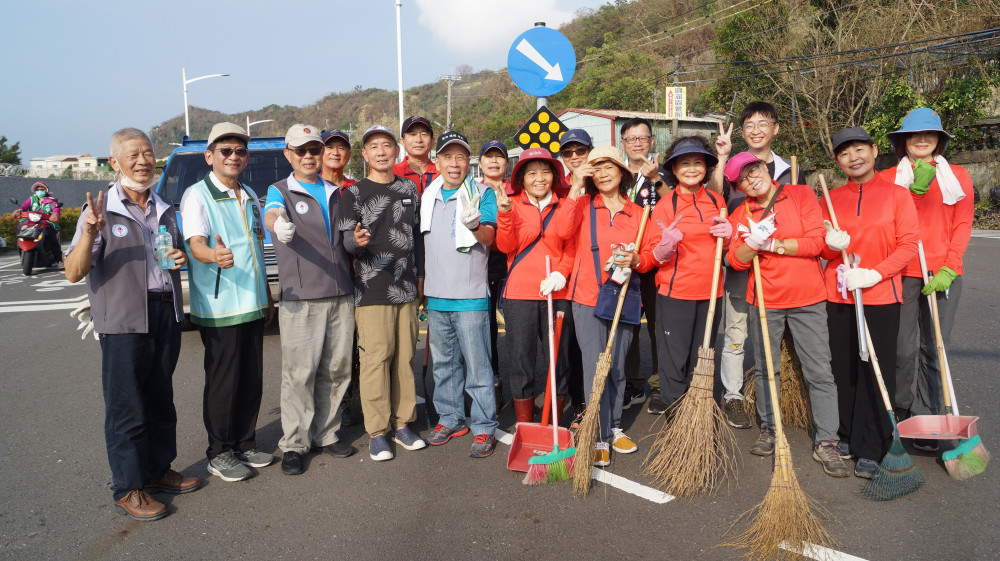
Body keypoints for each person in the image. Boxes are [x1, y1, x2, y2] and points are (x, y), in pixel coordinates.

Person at [64, 128, 198, 521]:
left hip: (165, 312)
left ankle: (158, 471)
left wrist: (182, 258)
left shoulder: (165, 208)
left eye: (148, 153)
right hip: (123, 319)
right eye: (133, 155)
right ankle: (127, 487)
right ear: (115, 162)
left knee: (160, 399)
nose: (142, 161)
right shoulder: (103, 211)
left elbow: (173, 259)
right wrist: (89, 232)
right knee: (127, 406)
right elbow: (73, 271)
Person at [723, 151, 850, 478]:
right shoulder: (742, 215)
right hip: (765, 300)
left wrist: (772, 245)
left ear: (765, 167)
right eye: (744, 178)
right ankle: (770, 429)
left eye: (754, 170)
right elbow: (735, 260)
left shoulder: (801, 194)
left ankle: (827, 442)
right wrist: (752, 242)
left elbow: (815, 244)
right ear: (740, 187)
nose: (753, 178)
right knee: (767, 369)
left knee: (819, 370)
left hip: (808, 297)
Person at [821, 127, 919, 478]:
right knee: (843, 367)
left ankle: (871, 443)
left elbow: (908, 245)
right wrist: (829, 244)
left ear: (875, 151)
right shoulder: (829, 198)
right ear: (837, 161)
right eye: (845, 153)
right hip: (839, 294)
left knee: (875, 369)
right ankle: (846, 433)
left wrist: (875, 274)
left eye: (860, 149)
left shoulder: (897, 195)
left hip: (880, 295)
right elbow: (819, 245)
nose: (854, 157)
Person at [180, 122, 275, 482]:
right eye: (226, 151)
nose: (234, 156)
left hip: (252, 300)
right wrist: (212, 256)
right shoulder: (196, 195)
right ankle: (219, 451)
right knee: (224, 380)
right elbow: (195, 243)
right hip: (220, 305)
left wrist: (266, 294)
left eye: (240, 151)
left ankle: (245, 442)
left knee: (251, 378)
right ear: (210, 156)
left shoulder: (249, 193)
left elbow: (256, 248)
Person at [263, 124, 360, 475]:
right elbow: (271, 213)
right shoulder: (280, 190)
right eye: (301, 151)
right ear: (288, 154)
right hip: (301, 297)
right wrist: (277, 225)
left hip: (341, 293)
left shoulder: (336, 191)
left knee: (337, 369)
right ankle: (295, 443)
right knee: (299, 372)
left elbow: (348, 238)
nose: (308, 156)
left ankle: (327, 433)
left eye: (313, 150)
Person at [553, 146, 656, 467]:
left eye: (610, 166)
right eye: (596, 168)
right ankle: (596, 433)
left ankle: (614, 427)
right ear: (590, 175)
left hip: (624, 298)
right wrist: (574, 187)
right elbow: (558, 233)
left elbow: (652, 253)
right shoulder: (581, 204)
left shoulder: (638, 213)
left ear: (622, 172)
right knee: (594, 366)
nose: (604, 172)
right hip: (585, 297)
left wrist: (639, 259)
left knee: (617, 364)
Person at [882, 108, 974, 452]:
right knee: (903, 349)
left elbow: (963, 224)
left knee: (935, 348)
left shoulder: (959, 176)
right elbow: (889, 222)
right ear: (903, 141)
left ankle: (930, 415)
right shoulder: (891, 178)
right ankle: (903, 413)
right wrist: (914, 191)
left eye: (929, 134)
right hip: (903, 271)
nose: (922, 139)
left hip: (944, 272)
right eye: (914, 134)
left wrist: (950, 267)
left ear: (939, 140)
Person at [338, 125, 425, 462]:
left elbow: (415, 236)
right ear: (365, 155)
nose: (381, 151)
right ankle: (377, 431)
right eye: (374, 146)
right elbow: (347, 239)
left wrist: (422, 278)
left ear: (396, 150)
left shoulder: (408, 188)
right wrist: (355, 242)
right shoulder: (354, 193)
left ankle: (403, 424)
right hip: (371, 287)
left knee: (405, 357)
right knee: (376, 358)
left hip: (406, 286)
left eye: (387, 145)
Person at [719, 102, 806, 429]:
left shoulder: (791, 170)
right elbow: (716, 197)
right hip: (741, 264)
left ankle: (773, 393)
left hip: (780, 267)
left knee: (775, 334)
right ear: (742, 132)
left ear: (775, 128)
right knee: (736, 331)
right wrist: (723, 157)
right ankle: (733, 394)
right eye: (749, 125)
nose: (756, 130)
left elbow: (802, 212)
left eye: (763, 123)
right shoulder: (733, 169)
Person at [420, 131, 500, 458]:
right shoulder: (429, 195)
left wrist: (476, 222)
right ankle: (450, 417)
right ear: (436, 161)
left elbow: (490, 237)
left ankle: (484, 427)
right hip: (437, 296)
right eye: (447, 157)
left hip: (469, 295)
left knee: (478, 368)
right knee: (444, 365)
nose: (454, 163)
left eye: (460, 157)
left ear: (469, 161)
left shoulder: (482, 193)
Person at [645, 136, 731, 426]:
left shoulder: (717, 201)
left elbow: (728, 249)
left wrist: (731, 236)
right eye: (685, 163)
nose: (692, 169)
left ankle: (699, 414)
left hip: (711, 293)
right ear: (674, 169)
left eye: (698, 163)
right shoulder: (666, 204)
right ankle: (676, 421)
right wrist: (663, 247)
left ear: (706, 167)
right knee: (674, 362)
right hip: (675, 292)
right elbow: (652, 253)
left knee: (702, 358)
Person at [495, 147, 577, 426]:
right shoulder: (511, 203)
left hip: (558, 292)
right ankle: (526, 423)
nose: (539, 178)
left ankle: (553, 422)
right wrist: (505, 215)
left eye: (545, 172)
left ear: (554, 176)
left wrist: (561, 273)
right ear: (521, 178)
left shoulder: (565, 204)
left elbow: (571, 247)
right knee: (520, 360)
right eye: (532, 173)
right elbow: (505, 246)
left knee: (559, 360)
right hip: (520, 294)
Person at [556, 129, 593, 421]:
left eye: (580, 151)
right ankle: (576, 398)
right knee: (569, 343)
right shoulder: (559, 187)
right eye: (568, 153)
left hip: (597, 270)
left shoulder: (602, 181)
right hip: (567, 273)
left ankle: (594, 398)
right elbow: (561, 232)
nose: (575, 157)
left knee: (594, 342)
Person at [479, 140, 512, 409]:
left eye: (499, 157)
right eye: (488, 157)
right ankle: (493, 382)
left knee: (517, 330)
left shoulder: (518, 191)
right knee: (487, 330)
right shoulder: (471, 191)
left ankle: (522, 388)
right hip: (483, 269)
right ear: (479, 163)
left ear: (506, 163)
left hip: (513, 269)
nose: (493, 161)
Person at [17, 181, 62, 267]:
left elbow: (56, 211)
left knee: (53, 240)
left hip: (47, 224)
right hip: (31, 223)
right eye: (37, 189)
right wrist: (19, 211)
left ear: (46, 190)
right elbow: (24, 207)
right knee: (20, 231)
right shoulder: (31, 199)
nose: (39, 191)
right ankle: (23, 253)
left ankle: (59, 261)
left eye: (41, 189)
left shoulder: (53, 201)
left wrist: (55, 215)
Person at [393, 116, 439, 196]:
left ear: (432, 141)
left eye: (424, 134)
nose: (418, 140)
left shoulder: (442, 173)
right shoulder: (392, 173)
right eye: (413, 134)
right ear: (402, 142)